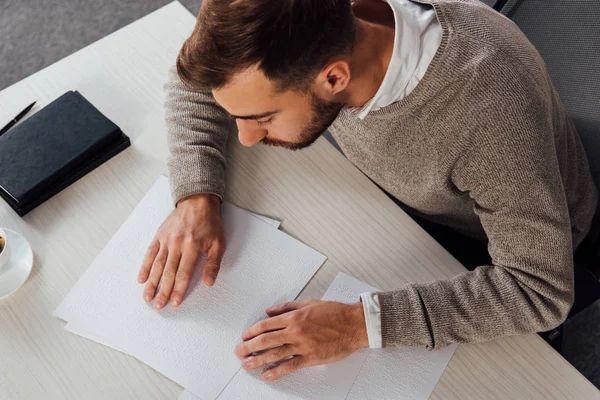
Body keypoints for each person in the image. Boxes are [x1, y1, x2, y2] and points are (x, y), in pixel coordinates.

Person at [137, 0, 599, 382]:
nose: (247, 136)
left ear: (334, 77)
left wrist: (359, 325)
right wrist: (197, 195)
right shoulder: (295, 30)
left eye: (263, 117)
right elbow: (200, 80)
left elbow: (539, 289)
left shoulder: (489, 111)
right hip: (399, 197)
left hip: (498, 240)